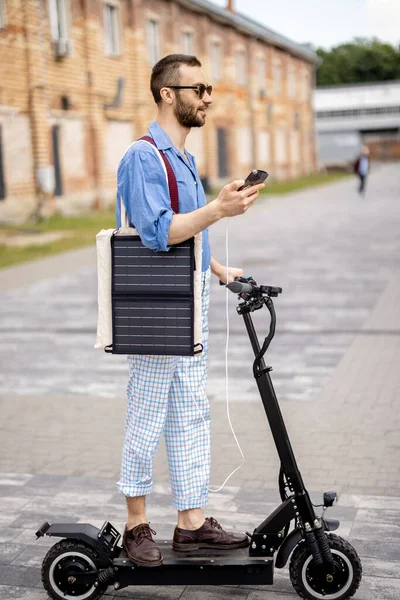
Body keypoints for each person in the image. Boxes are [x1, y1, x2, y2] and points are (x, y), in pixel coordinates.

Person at [115, 54, 265, 567]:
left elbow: (189, 231)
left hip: (190, 301)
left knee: (189, 415)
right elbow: (158, 233)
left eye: (209, 88)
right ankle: (135, 523)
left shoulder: (184, 159)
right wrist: (218, 209)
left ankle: (191, 524)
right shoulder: (143, 157)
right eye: (197, 88)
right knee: (147, 412)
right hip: (157, 308)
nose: (207, 97)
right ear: (166, 93)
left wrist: (221, 271)